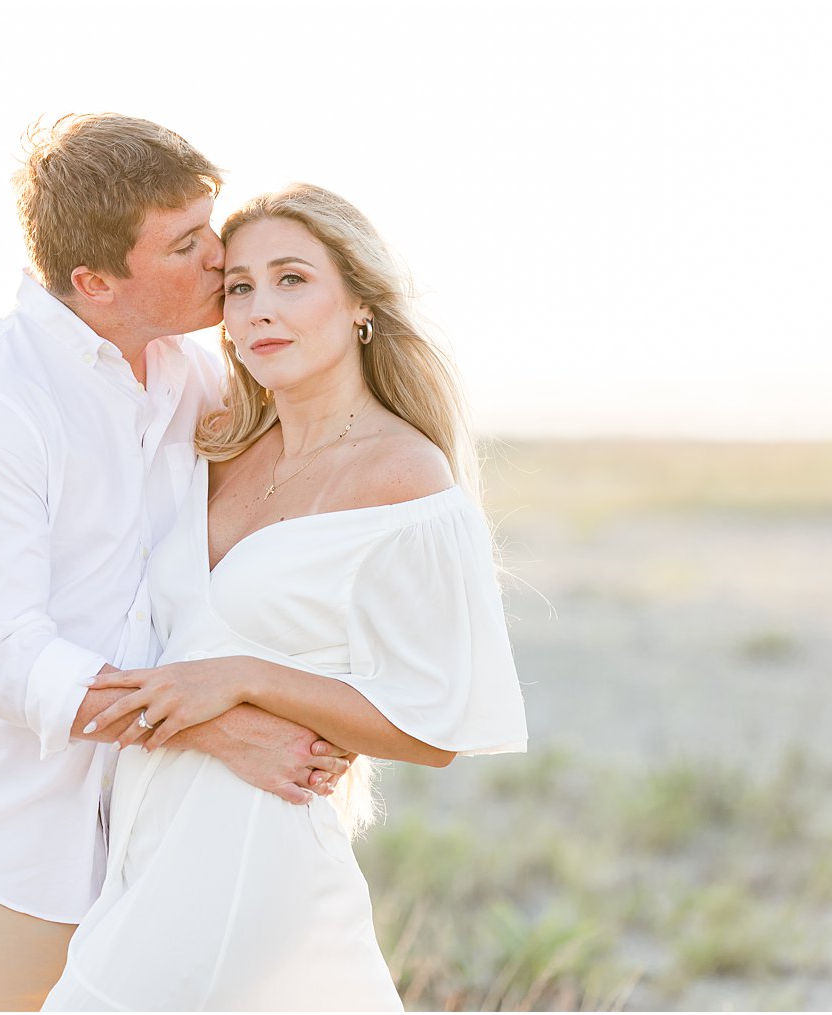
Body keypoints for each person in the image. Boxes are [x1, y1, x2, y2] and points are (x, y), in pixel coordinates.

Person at [0, 116, 355, 1012]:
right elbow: (6, 659)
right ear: (94, 282)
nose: (219, 254)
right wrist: (211, 726)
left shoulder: (190, 380)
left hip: (142, 863)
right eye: (184, 244)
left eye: (209, 225)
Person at [43, 183, 528, 1011]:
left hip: (251, 838)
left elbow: (436, 725)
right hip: (144, 833)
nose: (260, 308)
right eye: (240, 287)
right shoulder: (217, 448)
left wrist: (247, 678)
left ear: (360, 303)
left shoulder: (405, 479)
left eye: (293, 279)